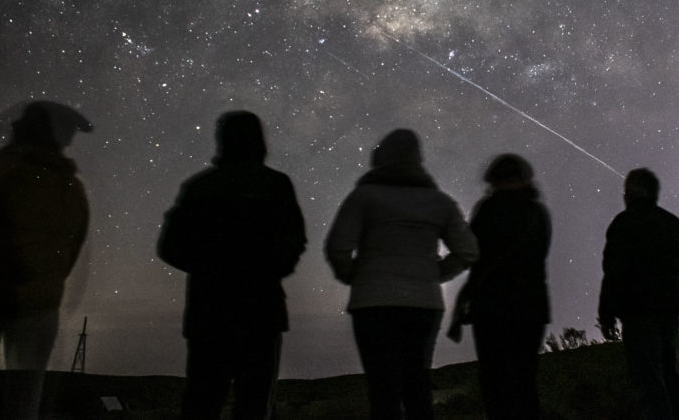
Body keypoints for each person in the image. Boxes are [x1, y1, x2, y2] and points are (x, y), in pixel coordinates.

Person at [158, 111, 306, 420]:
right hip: (261, 308)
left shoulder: (200, 187)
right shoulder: (275, 184)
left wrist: (209, 268)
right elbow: (294, 241)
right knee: (254, 403)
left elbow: (170, 247)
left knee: (202, 401)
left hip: (208, 309)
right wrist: (267, 271)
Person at [325, 128, 478, 420]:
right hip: (423, 301)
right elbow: (468, 251)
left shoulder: (363, 196)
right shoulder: (440, 202)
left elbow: (337, 248)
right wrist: (436, 273)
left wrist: (355, 276)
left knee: (382, 392)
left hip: (372, 301)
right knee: (417, 388)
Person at [0, 101, 91, 420]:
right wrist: (44, 282)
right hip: (38, 306)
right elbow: (71, 248)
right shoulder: (70, 186)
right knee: (24, 401)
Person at [598, 168, 679, 420]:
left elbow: (613, 272)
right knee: (671, 377)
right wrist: (675, 297)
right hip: (669, 314)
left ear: (633, 192)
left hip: (638, 313)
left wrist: (607, 314)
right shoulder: (676, 225)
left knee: (648, 382)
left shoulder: (624, 223)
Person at [454, 153, 550, 419]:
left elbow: (473, 256)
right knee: (525, 383)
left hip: (491, 308)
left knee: (494, 385)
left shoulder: (487, 210)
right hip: (530, 307)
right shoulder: (536, 212)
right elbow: (539, 254)